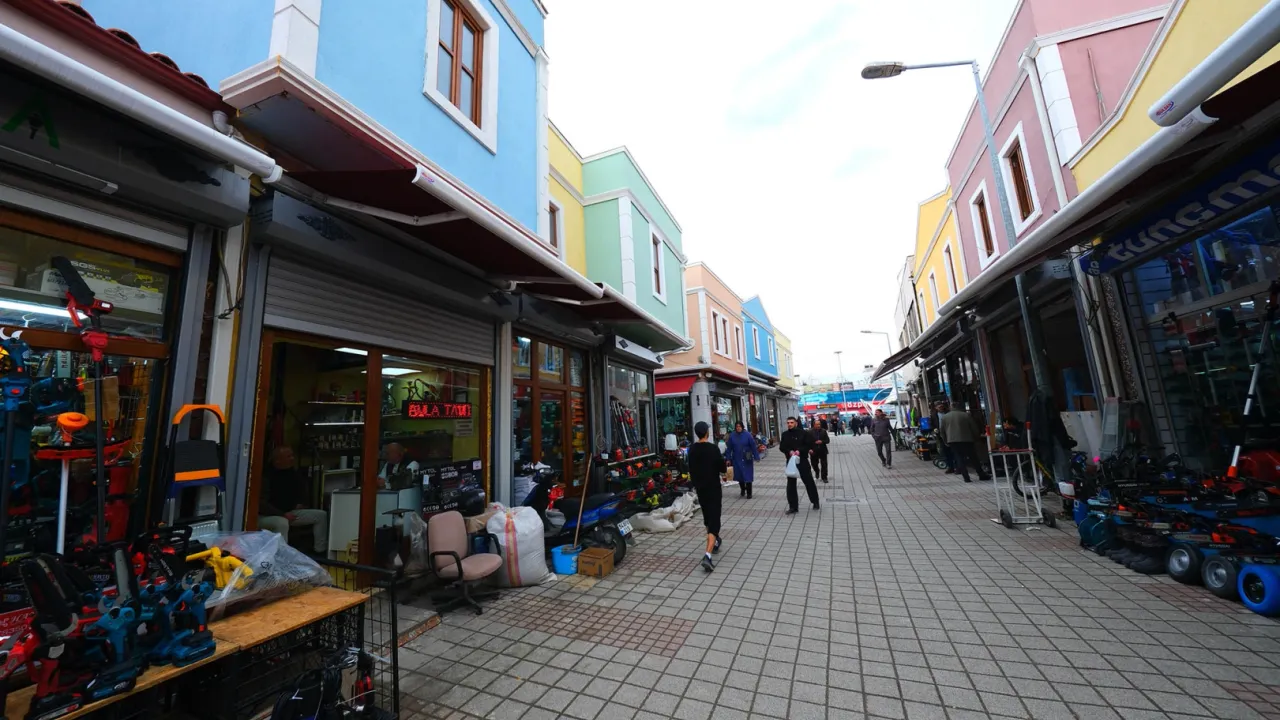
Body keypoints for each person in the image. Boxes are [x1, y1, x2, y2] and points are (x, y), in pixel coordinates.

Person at [257, 446, 329, 555]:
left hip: (289, 513)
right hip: (267, 516)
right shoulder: (266, 476)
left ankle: (319, 551)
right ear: (277, 460)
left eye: (292, 455)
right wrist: (282, 514)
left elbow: (302, 492)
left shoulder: (293, 473)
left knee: (321, 515)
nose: (292, 458)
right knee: (282, 523)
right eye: (288, 456)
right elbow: (262, 504)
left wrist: (300, 503)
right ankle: (282, 557)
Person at [688, 421, 726, 572]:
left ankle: (715, 542)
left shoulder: (692, 449)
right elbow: (723, 468)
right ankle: (707, 556)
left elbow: (690, 468)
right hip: (713, 488)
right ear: (706, 432)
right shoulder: (713, 448)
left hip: (700, 489)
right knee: (714, 521)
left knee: (707, 517)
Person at [940, 401, 990, 483]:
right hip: (967, 439)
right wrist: (976, 437)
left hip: (953, 441)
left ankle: (966, 477)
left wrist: (946, 441)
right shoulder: (966, 415)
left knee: (959, 458)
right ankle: (981, 474)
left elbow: (942, 431)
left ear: (951, 407)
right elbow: (974, 428)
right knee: (973, 457)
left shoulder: (945, 417)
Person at [779, 417, 820, 513]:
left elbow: (809, 445)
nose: (789, 424)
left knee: (809, 481)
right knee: (791, 484)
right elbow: (782, 447)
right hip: (791, 461)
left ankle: (815, 502)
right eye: (788, 423)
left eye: (791, 422)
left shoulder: (804, 433)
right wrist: (789, 451)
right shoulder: (785, 434)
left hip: (802, 460)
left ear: (796, 423)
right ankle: (793, 507)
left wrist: (799, 451)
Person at [725, 422, 761, 498]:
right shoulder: (732, 436)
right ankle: (743, 489)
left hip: (747, 456)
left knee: (748, 475)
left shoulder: (748, 435)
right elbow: (729, 448)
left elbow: (753, 446)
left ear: (742, 427)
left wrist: (756, 456)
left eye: (739, 426)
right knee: (739, 475)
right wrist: (728, 458)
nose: (738, 428)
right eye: (737, 426)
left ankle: (749, 493)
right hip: (737, 457)